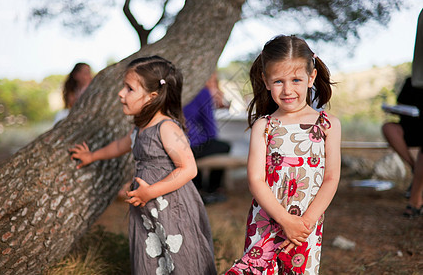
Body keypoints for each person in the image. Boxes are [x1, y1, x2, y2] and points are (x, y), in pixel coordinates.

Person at [69, 56, 217, 274]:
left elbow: (188, 169)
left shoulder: (166, 128)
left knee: (179, 255)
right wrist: (92, 156)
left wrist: (151, 192)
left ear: (152, 97)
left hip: (171, 205)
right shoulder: (140, 128)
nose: (121, 94)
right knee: (153, 254)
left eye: (129, 89)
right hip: (148, 206)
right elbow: (120, 145)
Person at [226, 35, 341, 274]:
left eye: (296, 79)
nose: (288, 90)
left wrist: (303, 224)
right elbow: (255, 179)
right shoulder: (264, 126)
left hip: (305, 226)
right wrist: (285, 220)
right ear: (266, 81)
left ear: (311, 77)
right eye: (278, 81)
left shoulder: (328, 124)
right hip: (267, 219)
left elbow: (331, 178)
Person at [183, 72, 231, 204]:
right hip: (192, 144)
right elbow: (209, 124)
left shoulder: (183, 91)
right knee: (224, 146)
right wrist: (211, 139)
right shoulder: (203, 92)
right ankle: (212, 189)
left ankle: (198, 189)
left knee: (197, 151)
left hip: (178, 144)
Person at [381, 76, 423, 198]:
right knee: (388, 128)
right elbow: (400, 104)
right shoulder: (411, 81)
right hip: (410, 127)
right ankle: (416, 169)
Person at [404, 8, 423, 218]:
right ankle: (416, 173)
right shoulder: (412, 82)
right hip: (412, 123)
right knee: (390, 128)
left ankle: (415, 199)